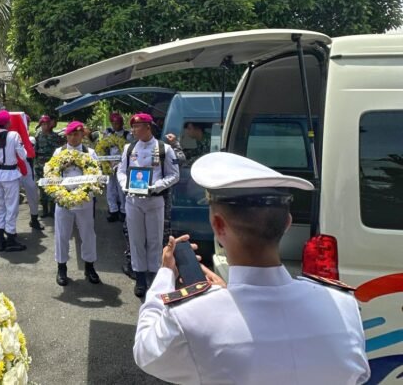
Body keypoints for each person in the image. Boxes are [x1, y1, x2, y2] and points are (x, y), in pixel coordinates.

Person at [133, 152, 370, 384]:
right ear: (287, 223)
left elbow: (145, 350)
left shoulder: (190, 317)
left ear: (218, 225)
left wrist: (166, 273)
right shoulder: (344, 306)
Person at [118, 113, 180, 298]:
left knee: (154, 240)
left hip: (154, 200)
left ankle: (154, 278)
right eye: (133, 127)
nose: (134, 130)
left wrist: (155, 187)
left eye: (138, 126)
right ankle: (139, 278)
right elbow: (121, 171)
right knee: (136, 240)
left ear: (148, 127)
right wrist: (124, 185)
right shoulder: (129, 148)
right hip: (133, 200)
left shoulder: (164, 149)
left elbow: (174, 175)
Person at [52, 121, 101, 287]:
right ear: (66, 135)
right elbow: (52, 176)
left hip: (84, 202)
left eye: (77, 134)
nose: (73, 137)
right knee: (62, 235)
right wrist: (59, 194)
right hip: (64, 201)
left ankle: (89, 267)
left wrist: (87, 193)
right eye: (70, 134)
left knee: (88, 235)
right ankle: (61, 267)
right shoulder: (59, 152)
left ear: (82, 135)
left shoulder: (90, 153)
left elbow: (97, 176)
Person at [0, 110, 28, 252]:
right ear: (7, 122)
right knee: (12, 207)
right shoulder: (14, 135)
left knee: (1, 206)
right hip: (10, 174)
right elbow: (23, 155)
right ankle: (10, 238)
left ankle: (0, 239)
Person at [104, 112, 133, 222]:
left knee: (121, 188)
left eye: (118, 123)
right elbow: (102, 146)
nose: (116, 125)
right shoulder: (108, 133)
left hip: (122, 164)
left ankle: (123, 211)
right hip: (109, 164)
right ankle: (113, 210)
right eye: (114, 123)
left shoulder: (127, 135)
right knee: (110, 188)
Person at [34, 115, 64, 219]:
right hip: (40, 166)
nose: (44, 126)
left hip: (52, 165)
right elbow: (35, 151)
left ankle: (52, 211)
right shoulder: (38, 137)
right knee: (42, 188)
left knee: (53, 186)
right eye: (42, 124)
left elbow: (60, 151)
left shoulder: (55, 137)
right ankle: (45, 210)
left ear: (49, 125)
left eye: (46, 124)